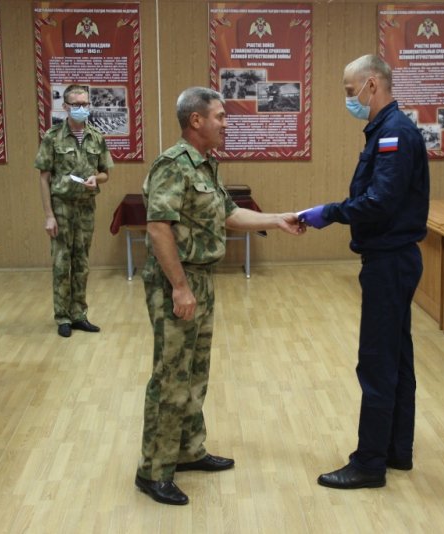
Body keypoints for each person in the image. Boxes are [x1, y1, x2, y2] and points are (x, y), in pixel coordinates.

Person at [135, 87, 304, 505]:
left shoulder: (206, 164)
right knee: (171, 374)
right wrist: (179, 286)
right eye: (220, 116)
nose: (226, 123)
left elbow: (228, 212)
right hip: (178, 280)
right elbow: (158, 227)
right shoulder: (172, 165)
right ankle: (153, 470)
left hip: (201, 279)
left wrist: (277, 219)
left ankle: (189, 451)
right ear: (196, 121)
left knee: (195, 370)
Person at [298, 54, 430, 490]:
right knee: (397, 358)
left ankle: (369, 463)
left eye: (348, 88)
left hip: (390, 262)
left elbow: (380, 201)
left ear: (371, 85)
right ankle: (397, 449)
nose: (347, 97)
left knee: (376, 362)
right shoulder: (388, 129)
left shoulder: (393, 133)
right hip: (393, 259)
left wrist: (330, 212)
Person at [34, 84, 112, 338]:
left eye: (85, 104)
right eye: (76, 104)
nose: (82, 109)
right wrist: (48, 215)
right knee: (61, 262)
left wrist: (95, 180)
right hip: (62, 207)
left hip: (86, 207)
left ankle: (79, 314)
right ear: (65, 106)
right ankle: (62, 316)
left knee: (82, 262)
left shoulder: (96, 137)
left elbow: (105, 173)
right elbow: (44, 177)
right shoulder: (52, 137)